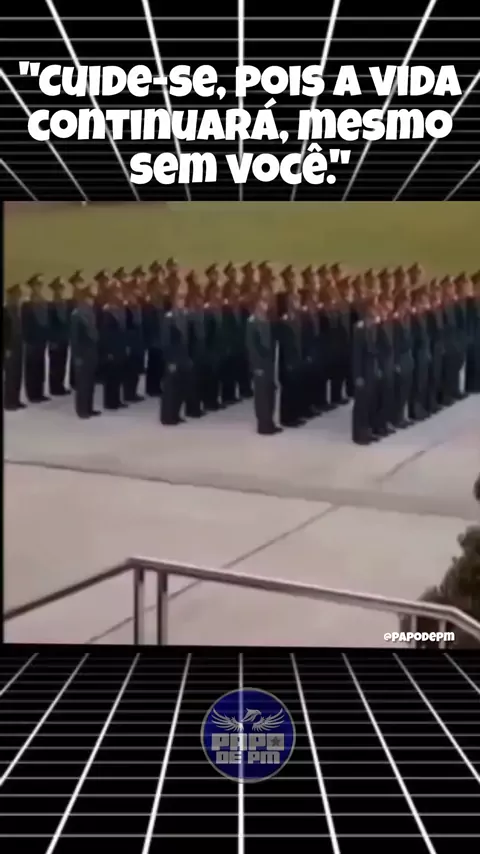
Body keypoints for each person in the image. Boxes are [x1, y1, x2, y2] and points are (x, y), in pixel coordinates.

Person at [246, 293, 281, 435]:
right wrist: (256, 366)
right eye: (263, 302)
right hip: (259, 364)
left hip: (269, 363)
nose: (266, 305)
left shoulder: (266, 319)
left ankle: (269, 421)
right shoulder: (252, 321)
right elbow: (251, 346)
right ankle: (263, 425)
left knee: (270, 392)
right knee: (261, 396)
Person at [351, 297, 380, 445]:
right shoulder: (360, 329)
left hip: (371, 370)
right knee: (361, 404)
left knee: (369, 402)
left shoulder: (372, 327)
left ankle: (367, 430)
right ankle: (358, 434)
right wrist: (358, 376)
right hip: (362, 372)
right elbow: (356, 355)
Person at [160, 285, 191, 426]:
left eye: (183, 299)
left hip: (183, 356)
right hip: (173, 358)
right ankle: (167, 416)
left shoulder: (185, 315)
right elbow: (166, 342)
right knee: (170, 389)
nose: (182, 302)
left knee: (181, 388)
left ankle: (176, 414)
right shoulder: (169, 318)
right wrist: (170, 361)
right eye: (179, 299)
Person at [70, 285, 100, 419]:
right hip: (82, 355)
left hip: (91, 353)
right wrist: (77, 356)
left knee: (90, 383)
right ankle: (82, 410)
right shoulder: (77, 315)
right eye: (89, 298)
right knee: (82, 384)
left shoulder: (90, 314)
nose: (92, 301)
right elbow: (75, 339)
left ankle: (89, 407)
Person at [21, 274, 49, 403]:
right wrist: (28, 340)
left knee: (40, 367)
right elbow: (25, 325)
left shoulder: (42, 301)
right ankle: (32, 394)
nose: (39, 287)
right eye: (37, 284)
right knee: (32, 368)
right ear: (32, 286)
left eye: (40, 284)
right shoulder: (27, 304)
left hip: (41, 339)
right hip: (32, 341)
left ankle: (39, 392)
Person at [100, 283, 128, 411]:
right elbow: (106, 335)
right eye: (118, 292)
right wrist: (108, 351)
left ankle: (116, 400)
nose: (120, 294)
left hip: (119, 348)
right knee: (111, 376)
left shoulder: (119, 308)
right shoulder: (108, 312)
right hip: (112, 350)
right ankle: (110, 402)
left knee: (118, 375)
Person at [391, 290, 414, 429]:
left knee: (405, 389)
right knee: (398, 391)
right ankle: (396, 418)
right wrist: (395, 363)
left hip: (407, 357)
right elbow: (393, 344)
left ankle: (401, 416)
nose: (408, 305)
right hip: (399, 358)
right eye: (406, 303)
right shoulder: (394, 320)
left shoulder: (407, 318)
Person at [4, 284, 26, 411]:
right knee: (11, 375)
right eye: (17, 294)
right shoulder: (6, 310)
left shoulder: (17, 309)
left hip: (18, 344)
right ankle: (8, 402)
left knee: (18, 374)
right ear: (11, 295)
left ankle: (16, 400)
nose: (18, 297)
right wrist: (6, 347)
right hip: (10, 346)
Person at [47, 277, 70, 396]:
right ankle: (54, 388)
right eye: (59, 288)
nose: (61, 290)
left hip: (63, 339)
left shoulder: (63, 303)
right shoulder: (51, 306)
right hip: (55, 340)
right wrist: (52, 340)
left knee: (62, 364)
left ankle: (60, 386)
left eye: (62, 288)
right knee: (55, 365)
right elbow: (49, 325)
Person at [143, 276, 165, 397]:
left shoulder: (160, 302)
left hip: (160, 338)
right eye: (158, 286)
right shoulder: (150, 304)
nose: (160, 288)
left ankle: (156, 386)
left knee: (159, 365)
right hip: (154, 339)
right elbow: (149, 324)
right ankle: (152, 388)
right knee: (154, 364)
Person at [123, 282, 145, 403]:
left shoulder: (137, 307)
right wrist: (127, 345)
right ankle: (128, 394)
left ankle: (133, 392)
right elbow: (126, 329)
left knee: (136, 370)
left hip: (137, 343)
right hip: (130, 343)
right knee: (130, 371)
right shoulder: (127, 309)